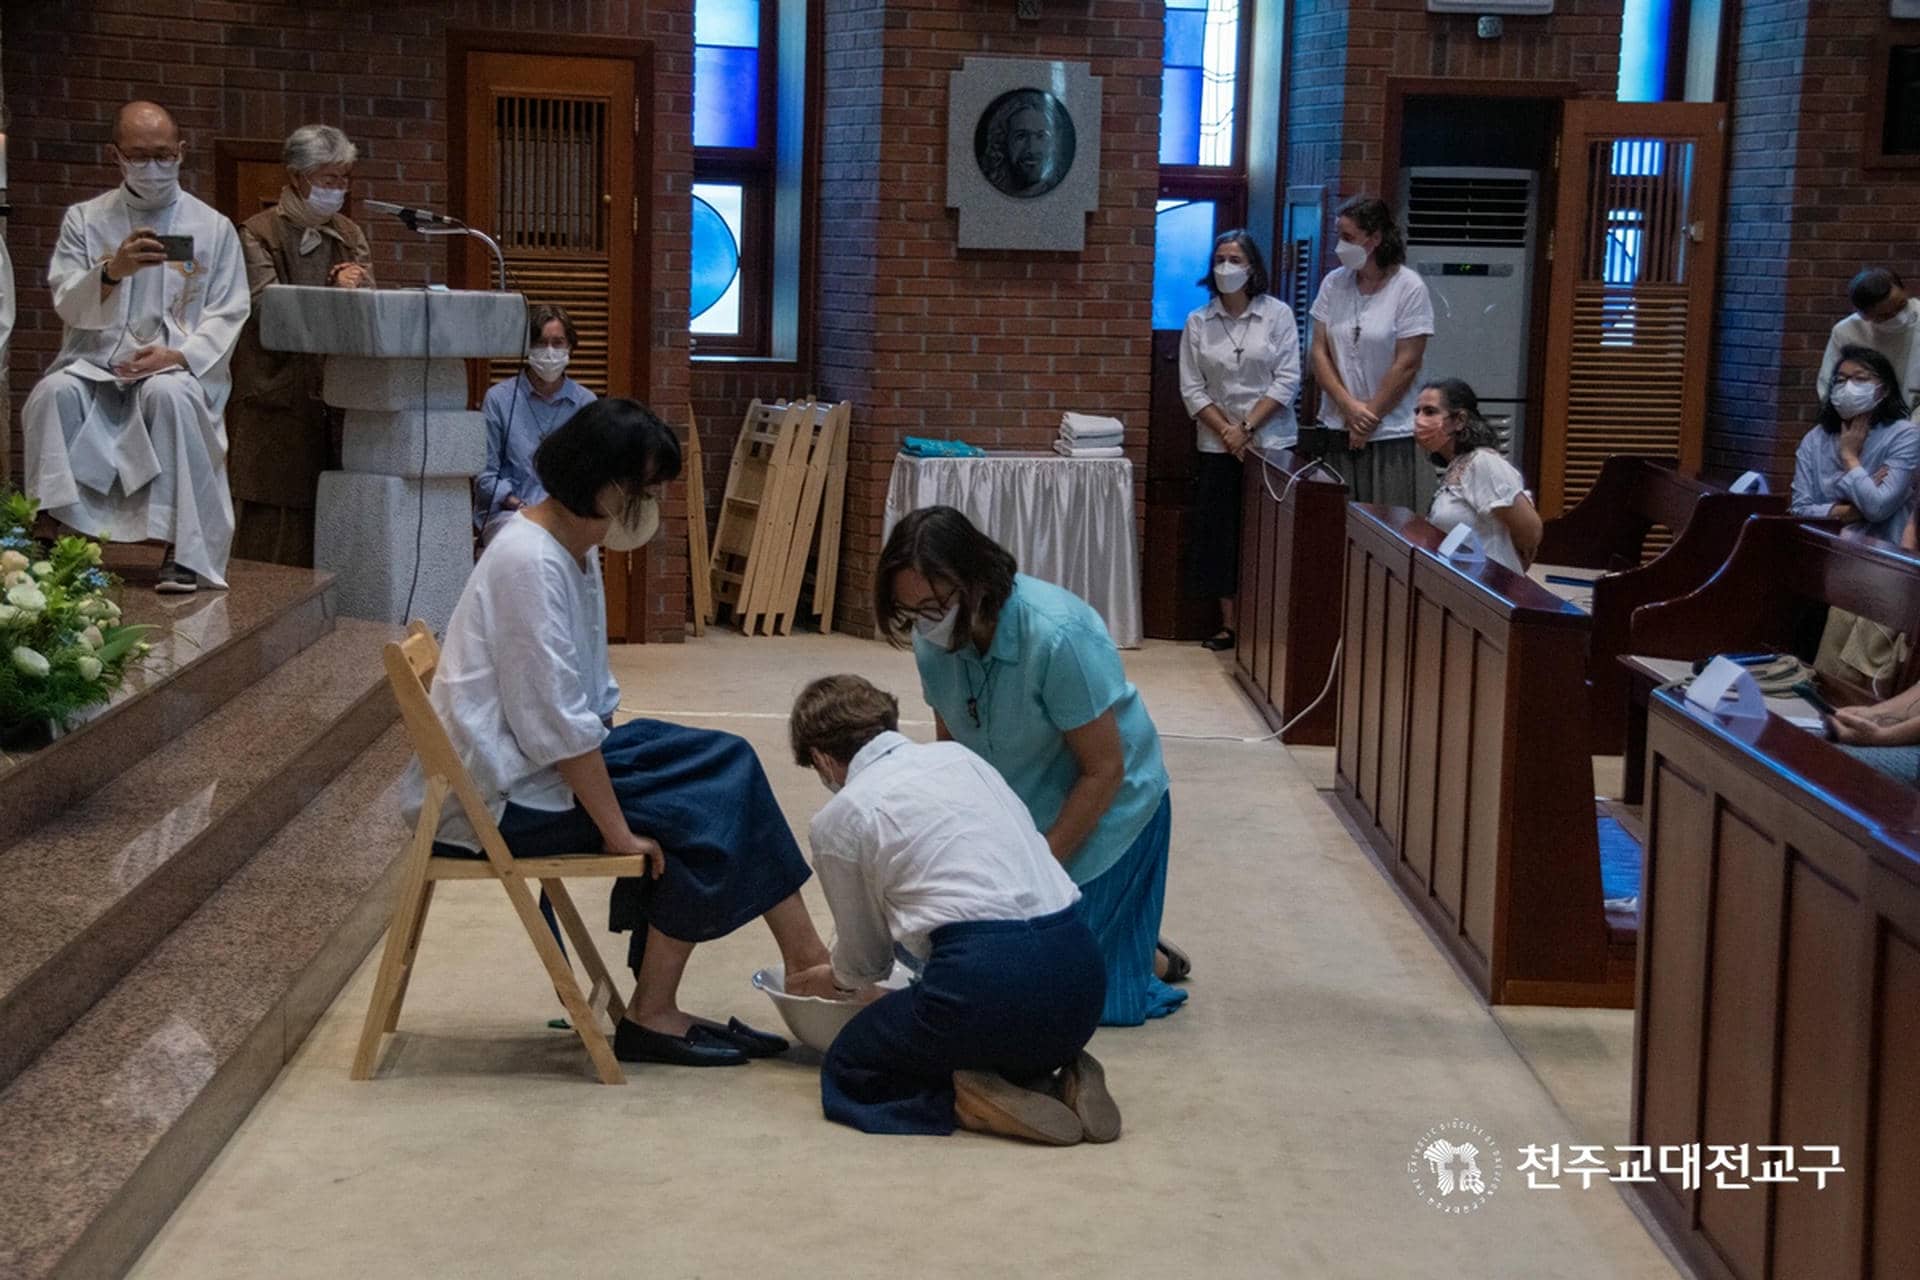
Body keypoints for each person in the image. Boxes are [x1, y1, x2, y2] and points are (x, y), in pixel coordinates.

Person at [400, 397, 831, 1068]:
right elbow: (556, 728)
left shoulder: (574, 549)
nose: (653, 500)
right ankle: (666, 1010)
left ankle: (803, 967)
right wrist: (618, 829)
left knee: (730, 759)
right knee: (705, 808)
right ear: (598, 481)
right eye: (645, 487)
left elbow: (585, 705)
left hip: (540, 762)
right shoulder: (528, 561)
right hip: (502, 799)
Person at [875, 506, 1188, 1026]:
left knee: (1067, 997)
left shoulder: (1057, 634)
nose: (925, 623)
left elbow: (1105, 770)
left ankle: (1135, 944)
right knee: (939, 954)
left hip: (1108, 808)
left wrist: (1037, 869)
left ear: (975, 581)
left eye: (935, 604)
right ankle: (1126, 930)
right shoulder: (932, 642)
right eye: (912, 612)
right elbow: (956, 759)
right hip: (1021, 813)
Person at [786, 674, 1118, 1145]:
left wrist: (832, 979)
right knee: (970, 1019)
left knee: (854, 1064)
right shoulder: (962, 759)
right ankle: (1046, 1075)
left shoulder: (843, 816)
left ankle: (975, 1104)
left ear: (821, 759)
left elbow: (866, 963)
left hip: (986, 983)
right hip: (1081, 980)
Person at [22, 100, 248, 594]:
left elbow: (230, 308)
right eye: (139, 155)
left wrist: (180, 355)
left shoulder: (212, 227)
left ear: (182, 152)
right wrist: (112, 271)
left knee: (172, 398)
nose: (154, 166)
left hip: (170, 364)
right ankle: (49, 526)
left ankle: (181, 550)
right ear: (116, 156)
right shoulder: (86, 220)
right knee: (52, 394)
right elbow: (68, 302)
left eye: (163, 155)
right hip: (96, 362)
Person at [226, 124, 376, 567]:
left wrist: (361, 288)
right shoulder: (257, 233)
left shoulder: (349, 234)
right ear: (296, 177)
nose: (339, 189)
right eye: (329, 179)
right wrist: (333, 290)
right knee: (272, 522)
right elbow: (268, 310)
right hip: (275, 393)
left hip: (337, 394)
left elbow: (370, 313)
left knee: (334, 513)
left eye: (344, 179)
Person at [1179, 228, 1301, 651]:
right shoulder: (1199, 321)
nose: (1226, 267)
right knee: (1220, 534)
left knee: (1266, 534)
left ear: (1253, 268)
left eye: (1235, 260)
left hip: (1269, 442)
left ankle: (1267, 624)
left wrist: (1246, 427)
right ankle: (1229, 625)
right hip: (1217, 444)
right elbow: (1192, 389)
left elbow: (1287, 379)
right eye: (1220, 260)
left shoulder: (1278, 315)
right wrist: (1227, 432)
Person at [1309, 195, 1435, 509]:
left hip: (1390, 432)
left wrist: (1368, 417)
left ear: (1375, 238)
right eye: (1339, 236)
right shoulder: (1333, 284)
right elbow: (1319, 352)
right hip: (1338, 425)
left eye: (1348, 237)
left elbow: (1408, 362)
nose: (1340, 245)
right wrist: (1348, 407)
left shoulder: (1409, 287)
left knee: (1387, 527)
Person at [474, 303, 594, 544]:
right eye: (541, 343)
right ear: (527, 348)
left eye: (558, 343)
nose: (549, 351)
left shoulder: (585, 403)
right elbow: (485, 474)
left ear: (570, 346)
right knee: (532, 539)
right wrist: (520, 506)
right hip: (510, 514)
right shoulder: (499, 399)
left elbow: (589, 475)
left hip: (564, 515)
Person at [1789, 345, 1919, 546]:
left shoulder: (1904, 435)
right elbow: (1799, 510)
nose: (1848, 387)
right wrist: (1857, 509)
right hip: (1823, 548)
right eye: (1841, 380)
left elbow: (1877, 508)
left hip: (1881, 555)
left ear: (1883, 389)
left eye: (1860, 379)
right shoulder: (1816, 438)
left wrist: (1850, 457)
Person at [1413, 378, 1540, 574]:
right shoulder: (1454, 467)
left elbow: (1530, 531)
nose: (1419, 420)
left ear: (1460, 420)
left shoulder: (1482, 462)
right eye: (1417, 412)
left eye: (1430, 412)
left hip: (1492, 585)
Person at [1815, 267, 1920, 409]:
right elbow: (1830, 387)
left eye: (1901, 305)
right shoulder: (1847, 332)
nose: (1898, 316)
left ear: (1905, 291)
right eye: (1885, 315)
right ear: (1864, 315)